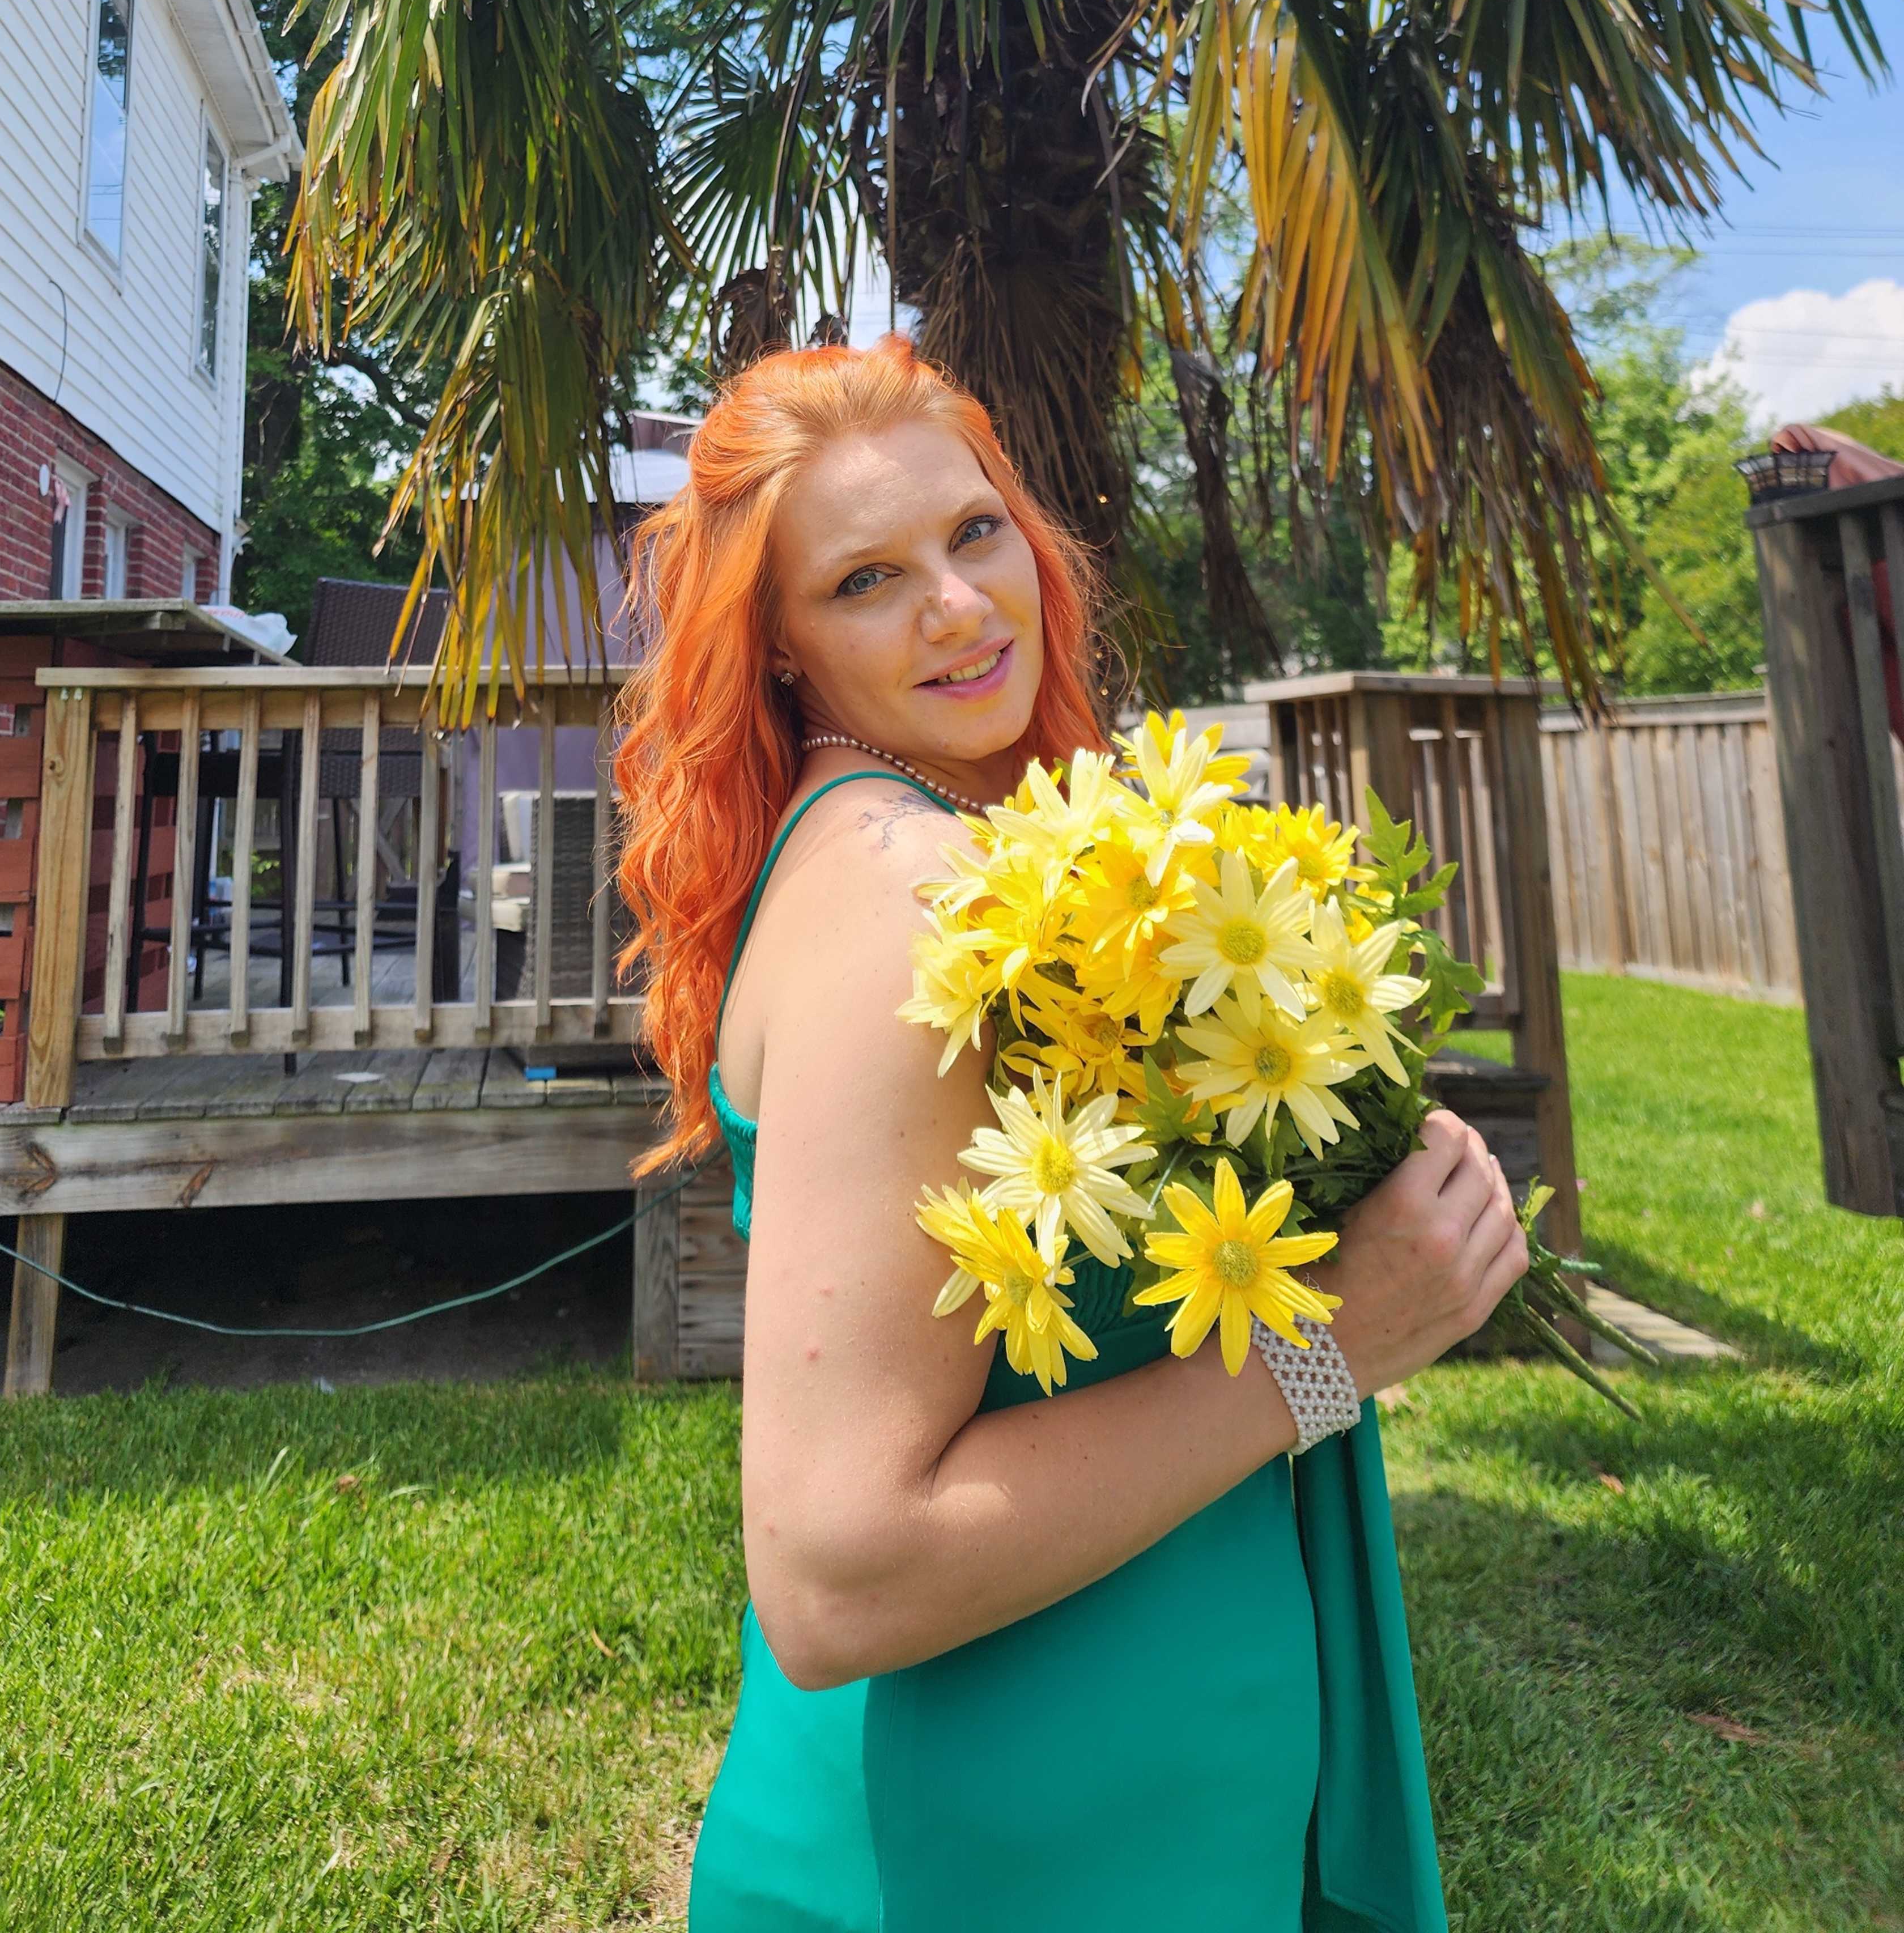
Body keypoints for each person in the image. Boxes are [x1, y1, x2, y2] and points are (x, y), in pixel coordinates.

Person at [614, 338, 1528, 1933]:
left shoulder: (971, 852)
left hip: (1120, 1827)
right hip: (1001, 1862)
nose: (959, 606)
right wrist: (1330, 1345)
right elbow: (838, 1573)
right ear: (779, 651)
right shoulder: (911, 901)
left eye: (975, 535)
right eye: (867, 581)